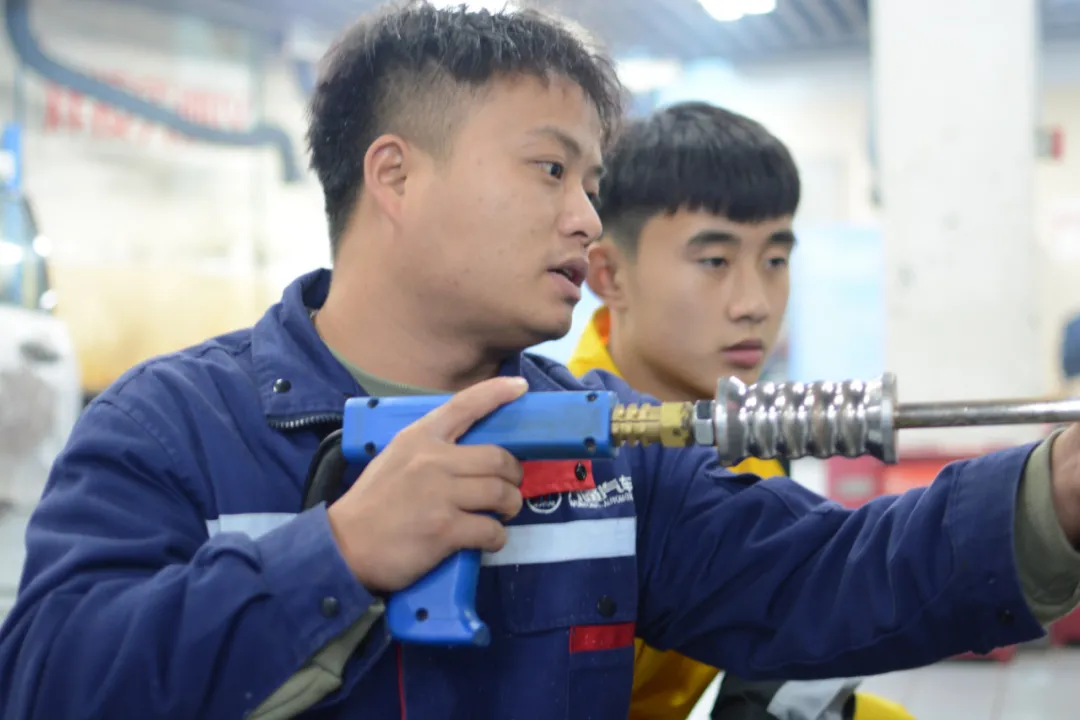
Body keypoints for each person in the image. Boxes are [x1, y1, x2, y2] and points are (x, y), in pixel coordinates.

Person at [3, 3, 1080, 718]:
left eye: (592, 182)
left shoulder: (604, 451)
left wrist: (1053, 495)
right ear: (396, 177)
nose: (586, 220)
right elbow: (48, 683)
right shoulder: (175, 429)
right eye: (551, 170)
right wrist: (336, 557)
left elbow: (829, 575)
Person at [566, 101, 913, 720]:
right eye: (715, 262)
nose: (755, 303)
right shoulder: (559, 456)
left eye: (775, 261)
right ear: (610, 275)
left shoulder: (748, 442)